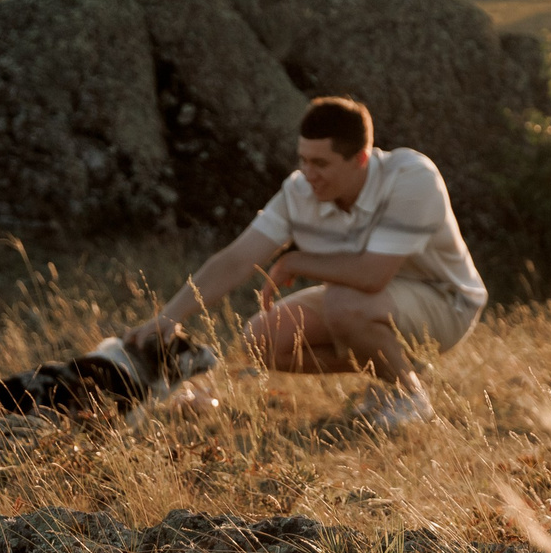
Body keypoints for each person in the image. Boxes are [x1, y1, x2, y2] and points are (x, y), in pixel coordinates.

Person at [124, 96, 485, 430]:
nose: (308, 173)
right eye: (303, 160)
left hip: (446, 301)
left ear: (360, 159)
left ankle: (411, 397)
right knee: (261, 338)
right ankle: (403, 373)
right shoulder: (300, 190)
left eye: (321, 163)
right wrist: (169, 316)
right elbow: (236, 259)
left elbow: (373, 276)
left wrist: (296, 260)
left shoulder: (412, 176)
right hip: (367, 299)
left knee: (343, 302)